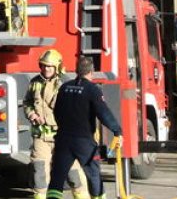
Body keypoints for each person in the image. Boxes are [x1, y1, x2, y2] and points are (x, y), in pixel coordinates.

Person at [45, 57, 122, 199]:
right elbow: (103, 113)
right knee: (93, 176)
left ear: (76, 71)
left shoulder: (64, 87)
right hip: (84, 142)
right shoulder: (93, 90)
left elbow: (57, 112)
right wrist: (117, 130)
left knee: (57, 177)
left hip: (63, 140)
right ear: (91, 72)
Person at [23, 50, 88, 199]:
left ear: (57, 67)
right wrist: (31, 114)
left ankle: (82, 195)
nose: (46, 69)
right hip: (41, 136)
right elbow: (27, 102)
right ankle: (40, 196)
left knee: (72, 172)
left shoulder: (67, 84)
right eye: (44, 65)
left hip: (63, 136)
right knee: (39, 170)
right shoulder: (35, 82)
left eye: (50, 66)